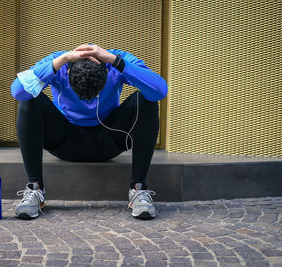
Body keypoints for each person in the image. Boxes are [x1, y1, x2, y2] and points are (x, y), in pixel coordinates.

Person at [10, 44, 168, 220]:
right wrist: (62, 61)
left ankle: (138, 189)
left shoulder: (116, 60)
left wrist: (115, 61)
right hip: (64, 141)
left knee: (147, 100)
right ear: (68, 74)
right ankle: (35, 189)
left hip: (109, 139)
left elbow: (160, 90)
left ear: (107, 73)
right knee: (28, 99)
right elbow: (17, 91)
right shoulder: (57, 61)